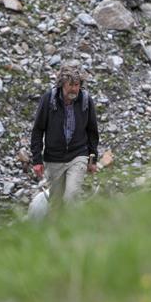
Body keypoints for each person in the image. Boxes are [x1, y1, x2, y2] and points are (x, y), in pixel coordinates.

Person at [30, 62, 99, 205]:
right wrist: (37, 160)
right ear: (62, 85)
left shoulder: (86, 101)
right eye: (70, 86)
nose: (74, 89)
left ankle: (74, 226)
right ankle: (56, 227)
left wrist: (92, 160)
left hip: (78, 155)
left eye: (77, 85)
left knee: (71, 196)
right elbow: (38, 130)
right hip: (54, 158)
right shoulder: (49, 100)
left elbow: (92, 132)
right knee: (55, 202)